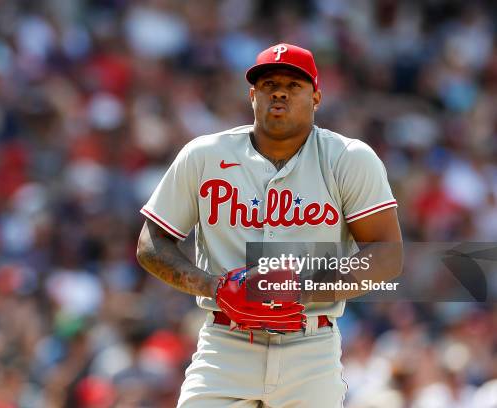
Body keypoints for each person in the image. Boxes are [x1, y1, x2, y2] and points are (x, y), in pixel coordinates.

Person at [136, 43, 402, 407]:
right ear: (252, 95)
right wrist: (213, 287)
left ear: (317, 97)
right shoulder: (204, 155)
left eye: (294, 85)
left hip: (310, 347)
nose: (279, 91)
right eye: (268, 83)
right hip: (226, 344)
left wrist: (303, 289)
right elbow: (151, 243)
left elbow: (387, 254)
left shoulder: (348, 158)